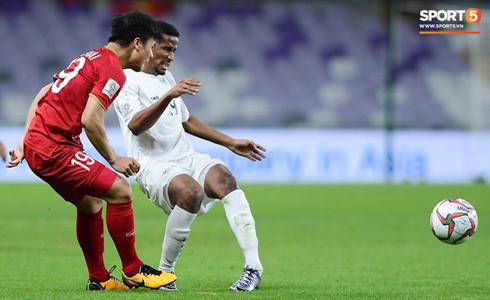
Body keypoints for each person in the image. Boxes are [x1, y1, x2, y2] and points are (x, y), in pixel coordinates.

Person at [7, 10, 177, 291]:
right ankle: (134, 270)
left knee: (90, 203)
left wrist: (26, 140)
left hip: (43, 145)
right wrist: (114, 158)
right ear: (136, 43)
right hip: (54, 149)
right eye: (149, 48)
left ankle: (98, 277)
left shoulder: (90, 57)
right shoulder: (112, 71)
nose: (149, 56)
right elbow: (90, 119)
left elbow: (44, 92)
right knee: (121, 190)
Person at [114, 21, 265, 292]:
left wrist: (230, 143)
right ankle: (165, 274)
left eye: (175, 50)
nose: (171, 57)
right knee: (190, 193)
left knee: (226, 181)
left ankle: (253, 267)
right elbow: (136, 125)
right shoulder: (126, 79)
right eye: (166, 49)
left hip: (186, 157)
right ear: (149, 46)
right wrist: (168, 95)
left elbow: (186, 121)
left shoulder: (165, 78)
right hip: (152, 165)